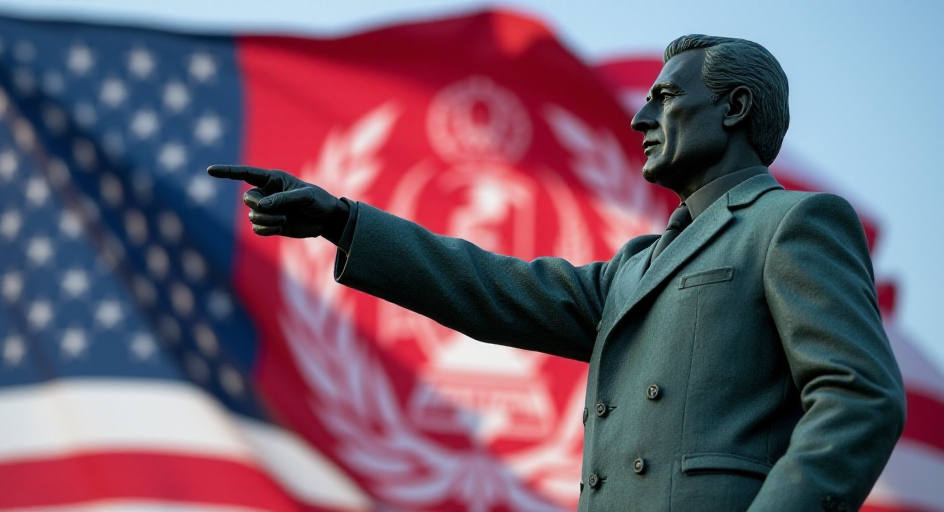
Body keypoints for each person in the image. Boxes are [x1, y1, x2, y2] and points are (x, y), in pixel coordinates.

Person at [209, 34, 905, 512]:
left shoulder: (792, 223)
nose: (640, 118)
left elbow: (860, 396)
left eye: (664, 97)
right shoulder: (635, 267)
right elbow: (489, 287)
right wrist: (342, 220)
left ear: (734, 107)